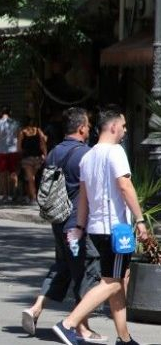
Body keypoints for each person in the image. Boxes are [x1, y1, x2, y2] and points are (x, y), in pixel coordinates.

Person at [53, 108, 149, 345]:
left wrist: (80, 226)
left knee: (114, 282)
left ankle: (124, 339)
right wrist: (139, 220)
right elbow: (125, 186)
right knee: (113, 283)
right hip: (116, 229)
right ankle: (68, 324)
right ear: (114, 127)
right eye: (124, 126)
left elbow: (83, 197)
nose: (125, 131)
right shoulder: (115, 152)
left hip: (96, 229)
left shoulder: (88, 156)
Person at [21, 108, 105, 342]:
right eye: (88, 125)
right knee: (89, 268)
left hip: (58, 221)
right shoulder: (85, 155)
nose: (90, 129)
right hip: (77, 224)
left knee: (64, 266)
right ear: (81, 128)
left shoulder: (55, 152)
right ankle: (80, 326)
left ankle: (36, 308)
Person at [0, 105, 20, 201]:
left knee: (2, 174)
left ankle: (5, 195)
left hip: (1, 151)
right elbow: (19, 137)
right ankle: (15, 192)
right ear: (10, 113)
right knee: (13, 172)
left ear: (1, 113)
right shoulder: (15, 123)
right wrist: (19, 149)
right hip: (13, 150)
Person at [17, 117, 47, 204]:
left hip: (27, 158)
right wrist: (45, 155)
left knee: (30, 178)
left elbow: (18, 147)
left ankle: (32, 197)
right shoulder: (38, 131)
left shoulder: (22, 132)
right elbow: (43, 144)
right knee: (32, 178)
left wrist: (20, 154)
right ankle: (32, 196)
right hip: (37, 158)